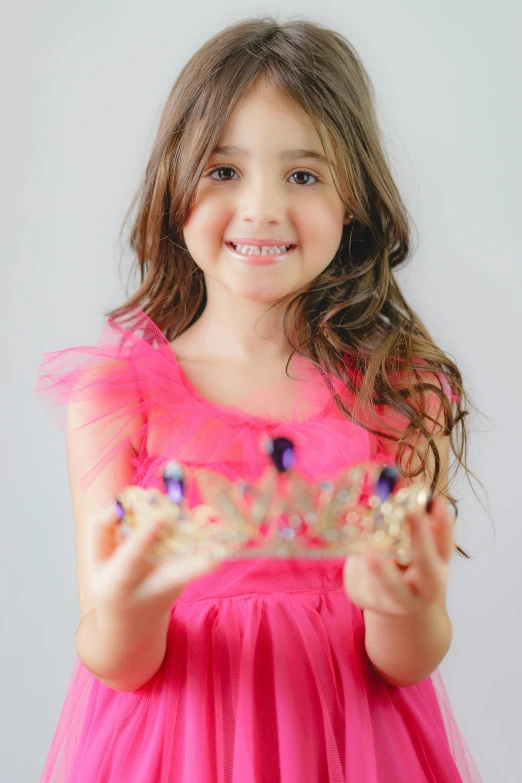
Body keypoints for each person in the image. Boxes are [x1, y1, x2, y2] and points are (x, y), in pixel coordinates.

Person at [35, 16, 485, 783]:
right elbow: (113, 658)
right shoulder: (118, 399)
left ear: (354, 202)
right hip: (176, 749)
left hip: (352, 749)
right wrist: (133, 610)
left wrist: (406, 608)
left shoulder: (400, 394)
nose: (263, 208)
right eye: (224, 170)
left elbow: (404, 661)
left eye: (303, 175)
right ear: (175, 187)